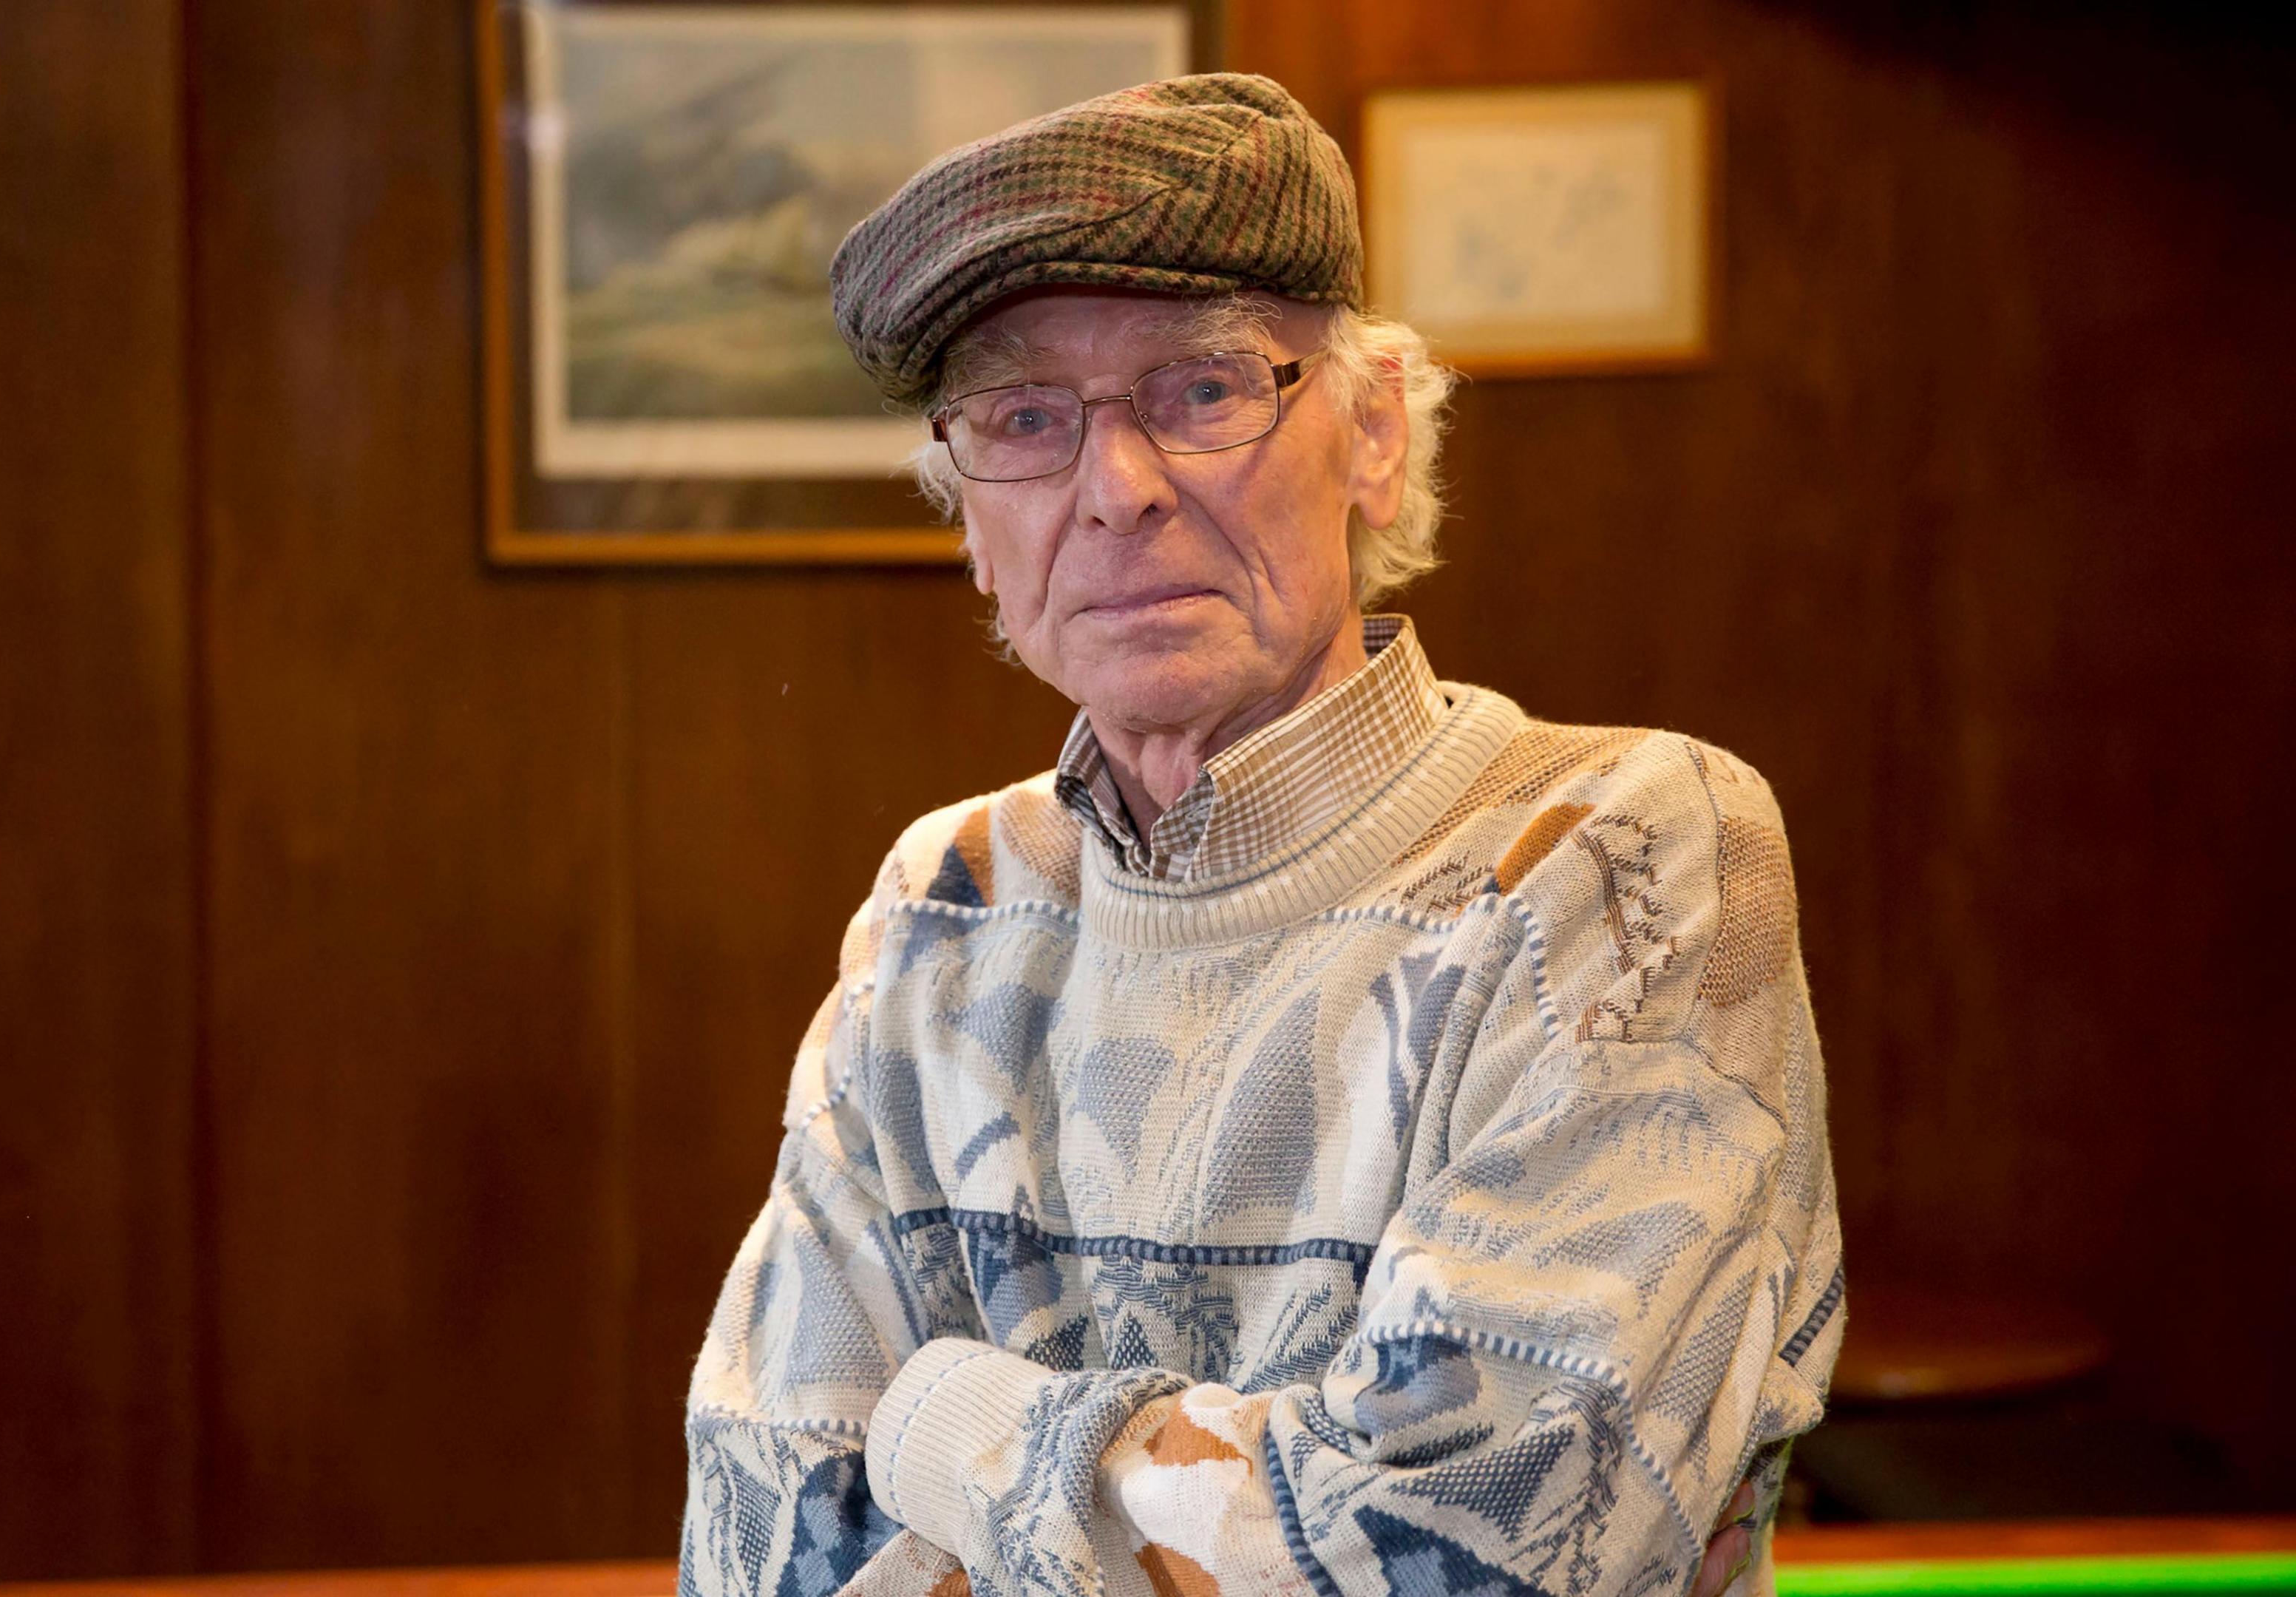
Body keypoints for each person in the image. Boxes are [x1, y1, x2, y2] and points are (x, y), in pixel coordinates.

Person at [681, 74, 1841, 1597]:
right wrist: (1233, 1489)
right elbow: (767, 1540)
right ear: (970, 521)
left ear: (1372, 432)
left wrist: (946, 1425)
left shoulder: (1616, 856)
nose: (1118, 489)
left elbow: (1472, 1555)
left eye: (1203, 390)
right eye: (1026, 420)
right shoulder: (943, 909)